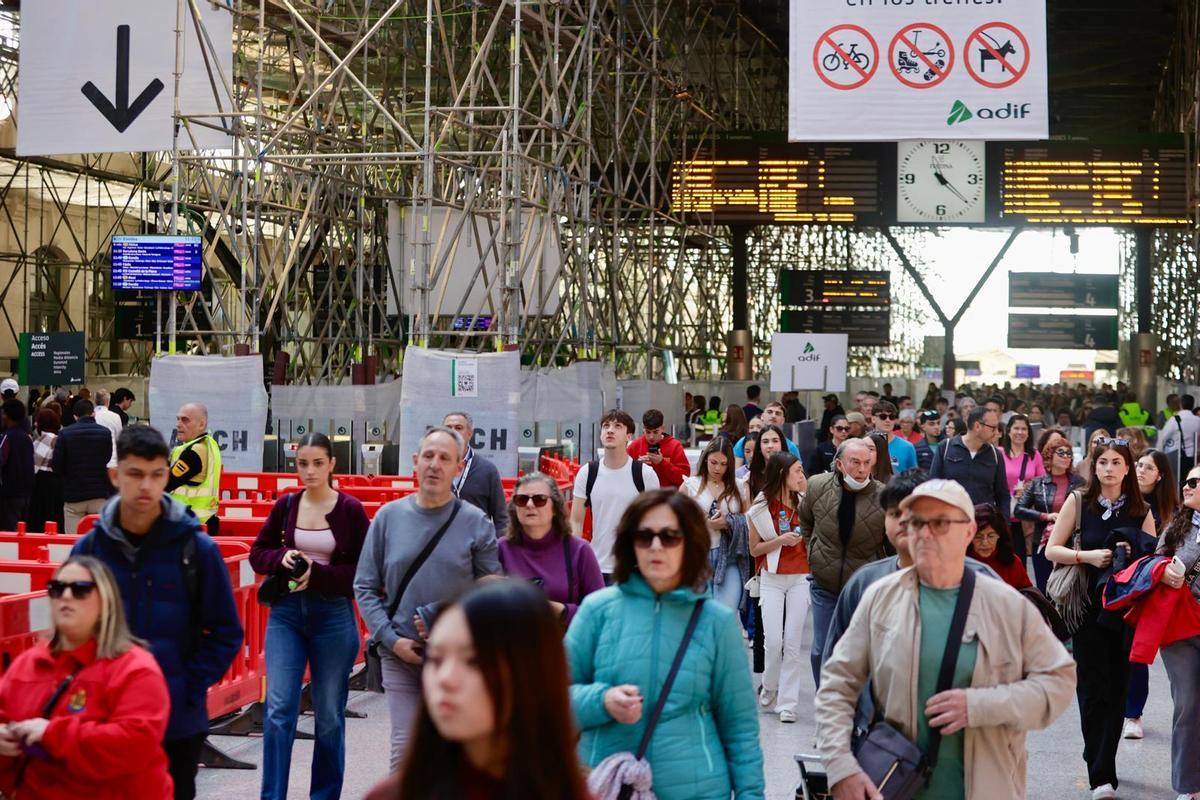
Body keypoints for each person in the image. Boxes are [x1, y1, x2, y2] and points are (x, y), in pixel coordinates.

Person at [816, 479, 1076, 800]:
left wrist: (980, 706)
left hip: (986, 787)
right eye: (915, 522)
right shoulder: (880, 597)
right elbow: (837, 683)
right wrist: (841, 765)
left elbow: (1059, 681)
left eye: (939, 522)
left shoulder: (1004, 604)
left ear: (968, 531)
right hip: (893, 786)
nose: (924, 533)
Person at [72, 425, 243, 800]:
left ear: (167, 474)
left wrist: (186, 686)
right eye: (135, 474)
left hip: (176, 721)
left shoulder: (196, 550)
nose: (146, 486)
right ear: (116, 475)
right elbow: (70, 630)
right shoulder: (90, 549)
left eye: (156, 474)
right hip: (104, 718)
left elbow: (227, 632)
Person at [566, 490, 765, 800]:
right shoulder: (597, 611)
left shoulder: (716, 623)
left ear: (690, 544)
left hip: (697, 789)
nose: (656, 546)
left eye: (670, 536)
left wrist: (750, 795)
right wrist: (602, 700)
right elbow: (552, 702)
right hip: (607, 786)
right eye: (645, 536)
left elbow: (740, 728)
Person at [354, 426, 501, 768]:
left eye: (445, 458)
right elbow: (364, 586)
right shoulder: (388, 519)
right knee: (405, 752)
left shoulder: (476, 523)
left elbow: (490, 587)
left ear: (458, 468)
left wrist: (450, 619)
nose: (435, 465)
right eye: (429, 457)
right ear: (415, 462)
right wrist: (390, 639)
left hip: (458, 658)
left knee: (455, 753)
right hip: (401, 654)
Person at [368, 580, 592, 800]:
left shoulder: (573, 792)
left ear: (527, 674)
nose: (445, 678)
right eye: (436, 659)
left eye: (473, 661)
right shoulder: (393, 794)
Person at [249, 432, 370, 800]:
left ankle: (325, 795)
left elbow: (361, 573)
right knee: (279, 709)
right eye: (303, 463)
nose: (310, 471)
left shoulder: (350, 510)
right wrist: (280, 559)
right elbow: (258, 553)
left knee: (329, 716)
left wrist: (314, 575)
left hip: (332, 616)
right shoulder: (286, 505)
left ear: (332, 464)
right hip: (286, 615)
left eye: (318, 463)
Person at [0, 556, 173, 799]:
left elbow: (135, 744)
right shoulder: (27, 665)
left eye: (80, 590)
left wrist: (53, 734)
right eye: (57, 588)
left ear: (106, 602)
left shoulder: (135, 669)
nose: (66, 597)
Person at [1045, 438, 1155, 799]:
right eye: (1102, 462)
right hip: (1087, 609)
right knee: (1093, 690)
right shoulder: (1079, 501)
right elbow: (1052, 549)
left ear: (1128, 468)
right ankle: (1101, 776)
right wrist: (1089, 557)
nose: (1109, 468)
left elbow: (1151, 562)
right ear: (1094, 467)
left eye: (1116, 462)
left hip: (1126, 612)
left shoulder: (1142, 509)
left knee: (1118, 688)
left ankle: (1101, 757)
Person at [822, 471, 1000, 667]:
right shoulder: (864, 583)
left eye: (916, 516)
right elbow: (836, 664)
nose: (904, 523)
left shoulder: (984, 582)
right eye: (895, 514)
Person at [799, 438, 886, 685]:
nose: (861, 469)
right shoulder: (816, 486)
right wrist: (812, 551)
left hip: (863, 586)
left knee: (859, 653)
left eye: (867, 463)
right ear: (839, 464)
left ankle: (854, 710)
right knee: (821, 651)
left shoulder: (882, 496)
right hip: (824, 583)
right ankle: (826, 705)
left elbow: (891, 546)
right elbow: (805, 521)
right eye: (855, 462)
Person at [1121, 448, 1178, 742]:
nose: (1141, 470)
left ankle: (1133, 713)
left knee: (1138, 651)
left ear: (1160, 476)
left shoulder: (1173, 514)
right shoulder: (1124, 503)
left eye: (1148, 467)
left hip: (1154, 590)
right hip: (1121, 584)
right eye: (1139, 465)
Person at [747, 452, 809, 722]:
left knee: (793, 644)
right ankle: (770, 685)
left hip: (801, 577)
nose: (801, 475)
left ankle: (788, 704)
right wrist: (780, 541)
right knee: (773, 642)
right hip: (771, 578)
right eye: (797, 470)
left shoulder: (806, 501)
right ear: (783, 473)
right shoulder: (761, 507)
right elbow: (754, 548)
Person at [499, 472, 605, 624]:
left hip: (566, 644)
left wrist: (561, 611)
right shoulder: (501, 549)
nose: (530, 505)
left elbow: (600, 612)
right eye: (521, 500)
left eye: (539, 499)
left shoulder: (579, 550)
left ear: (555, 508)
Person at [1152, 468, 1200, 800]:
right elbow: (1153, 565)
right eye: (1187, 481)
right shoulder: (1176, 525)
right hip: (1180, 625)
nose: (1187, 485)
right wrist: (1164, 575)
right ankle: (1187, 786)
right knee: (1188, 703)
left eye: (1196, 482)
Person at [571, 410, 660, 580]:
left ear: (629, 436)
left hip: (634, 569)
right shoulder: (587, 472)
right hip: (596, 566)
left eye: (617, 426)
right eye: (606, 426)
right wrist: (575, 558)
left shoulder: (644, 474)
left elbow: (655, 522)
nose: (610, 430)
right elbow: (576, 520)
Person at [681, 437, 749, 611]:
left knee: (725, 613)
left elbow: (749, 521)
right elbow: (677, 522)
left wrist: (728, 522)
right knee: (697, 616)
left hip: (730, 557)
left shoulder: (740, 486)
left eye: (723, 464)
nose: (718, 468)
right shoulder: (690, 484)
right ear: (705, 460)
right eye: (713, 462)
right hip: (698, 555)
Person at [1016, 432, 1084, 592]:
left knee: (1069, 590)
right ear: (1050, 456)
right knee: (1044, 589)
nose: (1066, 457)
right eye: (1061, 453)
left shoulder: (1079, 482)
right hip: (1042, 543)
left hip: (1071, 543)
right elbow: (1019, 510)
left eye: (1069, 453)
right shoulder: (1037, 483)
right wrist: (1046, 516)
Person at [51, 399, 114, 536]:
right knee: (98, 541)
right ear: (93, 414)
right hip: (99, 494)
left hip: (74, 495)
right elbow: (107, 458)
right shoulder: (105, 433)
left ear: (75, 416)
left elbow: (56, 465)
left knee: (73, 542)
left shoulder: (65, 433)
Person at [930, 407, 1010, 514]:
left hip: (983, 523)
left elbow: (1002, 495)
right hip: (950, 520)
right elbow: (933, 486)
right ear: (977, 426)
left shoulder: (995, 455)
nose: (996, 432)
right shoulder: (945, 447)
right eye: (993, 428)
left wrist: (1004, 526)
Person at [441, 411, 508, 535]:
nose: (453, 431)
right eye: (448, 428)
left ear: (470, 433)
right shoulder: (435, 468)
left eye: (458, 428)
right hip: (442, 546)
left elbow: (501, 518)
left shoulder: (487, 470)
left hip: (477, 545)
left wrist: (498, 548)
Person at [166, 403, 222, 537]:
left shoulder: (194, 452)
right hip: (201, 523)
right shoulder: (207, 444)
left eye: (185, 420)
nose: (178, 424)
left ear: (201, 425)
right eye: (178, 419)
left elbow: (165, 483)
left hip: (191, 527)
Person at [1000, 413, 1045, 563]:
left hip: (1024, 518)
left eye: (1024, 429)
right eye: (1016, 428)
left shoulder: (1034, 455)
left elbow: (1043, 484)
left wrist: (1028, 489)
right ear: (1008, 431)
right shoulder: (999, 453)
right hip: (1002, 516)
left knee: (1019, 562)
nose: (1020, 432)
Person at [966, 503, 1032, 590]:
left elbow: (1027, 594)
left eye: (991, 536)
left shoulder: (1012, 561)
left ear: (1000, 535)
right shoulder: (961, 563)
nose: (985, 543)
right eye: (978, 536)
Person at [628, 408, 692, 488]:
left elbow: (684, 479)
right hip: (643, 496)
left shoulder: (675, 446)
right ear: (643, 428)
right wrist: (637, 466)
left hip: (667, 497)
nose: (651, 437)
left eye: (655, 432)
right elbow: (624, 475)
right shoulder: (635, 445)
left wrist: (662, 463)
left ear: (663, 428)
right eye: (648, 432)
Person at [27, 408, 64, 534]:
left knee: (40, 520)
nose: (36, 423)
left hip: (43, 484)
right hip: (57, 484)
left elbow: (34, 466)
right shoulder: (58, 438)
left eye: (38, 421)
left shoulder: (45, 439)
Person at [0, 400, 33, 530]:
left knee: (10, 529)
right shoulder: (27, 437)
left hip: (9, 492)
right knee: (22, 528)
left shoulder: (7, 437)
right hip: (26, 492)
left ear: (6, 416)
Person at [733, 401, 801, 462]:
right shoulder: (744, 442)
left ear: (783, 420)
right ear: (762, 416)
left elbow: (798, 472)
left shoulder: (791, 447)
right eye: (770, 412)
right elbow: (737, 472)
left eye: (778, 413)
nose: (773, 416)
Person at [1162, 394, 1200, 484]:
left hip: (1178, 457)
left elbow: (1164, 437)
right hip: (1194, 457)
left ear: (1180, 404)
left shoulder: (1174, 420)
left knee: (1178, 482)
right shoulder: (1198, 420)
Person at [871, 400, 917, 473]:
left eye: (892, 417)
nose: (888, 420)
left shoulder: (907, 447)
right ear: (873, 419)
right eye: (883, 417)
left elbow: (913, 477)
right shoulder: (864, 444)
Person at [92, 390, 123, 468]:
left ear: (95, 401)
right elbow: (119, 437)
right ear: (108, 401)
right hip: (112, 460)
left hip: (93, 460)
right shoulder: (115, 416)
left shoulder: (90, 416)